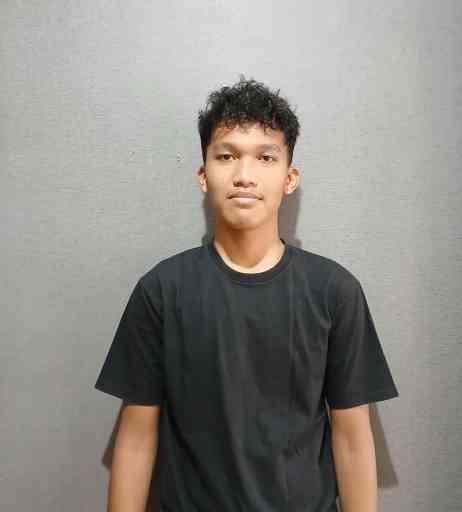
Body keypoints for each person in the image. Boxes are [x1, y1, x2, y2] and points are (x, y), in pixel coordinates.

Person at [94, 75, 399, 512]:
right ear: (204, 175)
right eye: (226, 156)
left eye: (265, 157)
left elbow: (352, 438)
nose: (244, 176)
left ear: (289, 178)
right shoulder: (162, 290)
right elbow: (137, 437)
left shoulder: (335, 291)